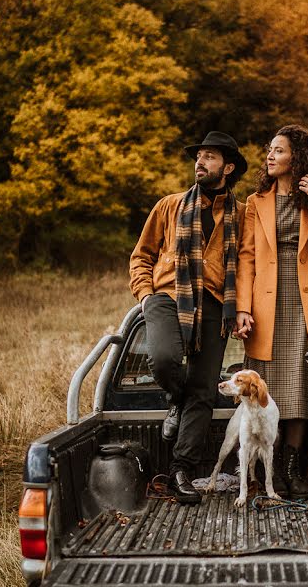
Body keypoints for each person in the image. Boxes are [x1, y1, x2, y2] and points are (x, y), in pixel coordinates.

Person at [129, 131, 247, 504]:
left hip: (215, 303)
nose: (201, 162)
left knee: (203, 388)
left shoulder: (241, 214)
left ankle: (182, 469)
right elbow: (141, 256)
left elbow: (248, 262)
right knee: (163, 359)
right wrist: (146, 296)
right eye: (199, 156)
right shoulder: (169, 206)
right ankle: (173, 398)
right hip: (168, 297)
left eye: (210, 157)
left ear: (227, 168)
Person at [235, 124, 308, 499]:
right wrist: (243, 308)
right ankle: (270, 467)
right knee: (268, 390)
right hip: (267, 301)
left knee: (299, 387)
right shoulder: (255, 202)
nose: (270, 156)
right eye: (269, 150)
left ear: (296, 158)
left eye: (279, 151)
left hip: (307, 301)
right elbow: (247, 257)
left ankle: (292, 467)